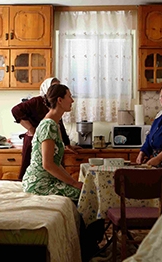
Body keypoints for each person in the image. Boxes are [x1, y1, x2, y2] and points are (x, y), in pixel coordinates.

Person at [21, 84, 99, 262]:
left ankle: (86, 245)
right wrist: (73, 183)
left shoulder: (53, 124)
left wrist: (65, 150)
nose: (72, 100)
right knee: (88, 195)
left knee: (87, 192)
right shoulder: (49, 125)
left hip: (46, 180)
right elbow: (48, 164)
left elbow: (53, 156)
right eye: (69, 96)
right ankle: (88, 249)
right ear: (60, 100)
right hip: (40, 183)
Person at [11, 77, 79, 180]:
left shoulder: (53, 121)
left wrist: (67, 144)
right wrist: (31, 129)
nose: (72, 100)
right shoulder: (40, 106)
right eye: (69, 96)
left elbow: (60, 126)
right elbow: (16, 110)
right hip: (34, 143)